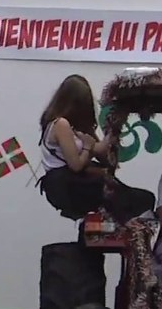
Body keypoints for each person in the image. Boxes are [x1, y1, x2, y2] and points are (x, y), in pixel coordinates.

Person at [35, 74, 115, 220]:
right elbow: (76, 165)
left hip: (75, 180)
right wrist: (87, 147)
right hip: (66, 184)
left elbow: (100, 151)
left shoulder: (78, 126)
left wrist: (112, 131)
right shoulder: (61, 124)